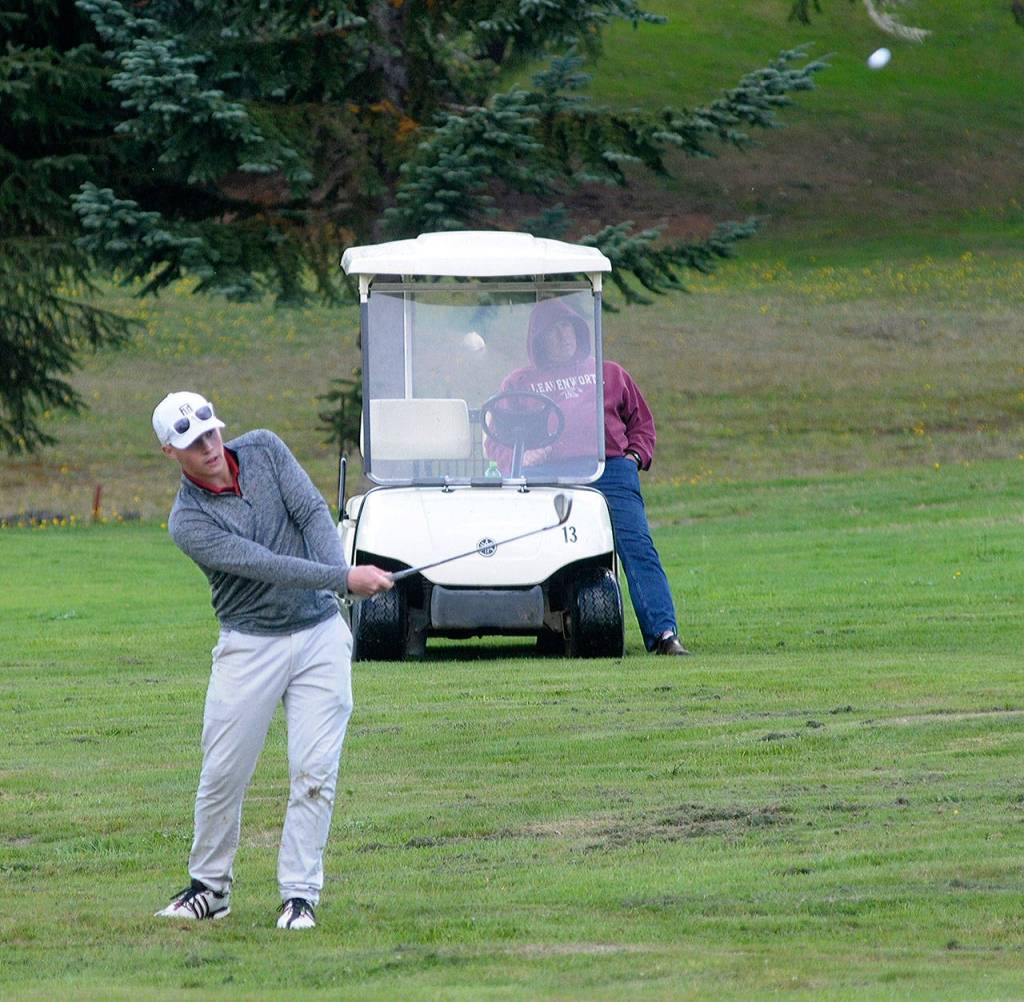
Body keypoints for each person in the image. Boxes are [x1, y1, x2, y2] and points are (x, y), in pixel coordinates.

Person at [151, 391, 393, 929]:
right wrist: (343, 578)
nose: (210, 446)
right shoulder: (187, 522)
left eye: (212, 432)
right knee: (222, 775)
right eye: (194, 442)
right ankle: (210, 889)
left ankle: (300, 896)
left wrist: (339, 588)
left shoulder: (263, 448)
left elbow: (309, 512)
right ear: (172, 452)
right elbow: (262, 564)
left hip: (319, 636)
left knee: (314, 771)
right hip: (249, 644)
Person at [486, 300, 690, 656]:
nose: (562, 336)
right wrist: (519, 459)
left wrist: (634, 457)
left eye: (568, 327)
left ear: (580, 331)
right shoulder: (520, 383)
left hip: (609, 469)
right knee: (540, 548)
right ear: (539, 339)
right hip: (549, 476)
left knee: (638, 548)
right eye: (552, 330)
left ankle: (663, 634)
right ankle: (549, 627)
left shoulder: (610, 373)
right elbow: (496, 438)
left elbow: (641, 424)